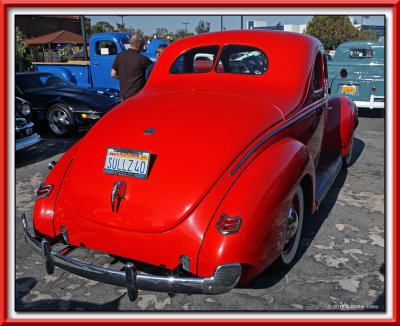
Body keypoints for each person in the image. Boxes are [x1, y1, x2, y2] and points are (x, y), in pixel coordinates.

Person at [111, 34, 153, 101]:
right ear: (139, 45)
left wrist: (123, 78)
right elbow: (154, 72)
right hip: (137, 97)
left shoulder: (119, 56)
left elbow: (113, 74)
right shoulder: (143, 59)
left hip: (123, 96)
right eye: (143, 44)